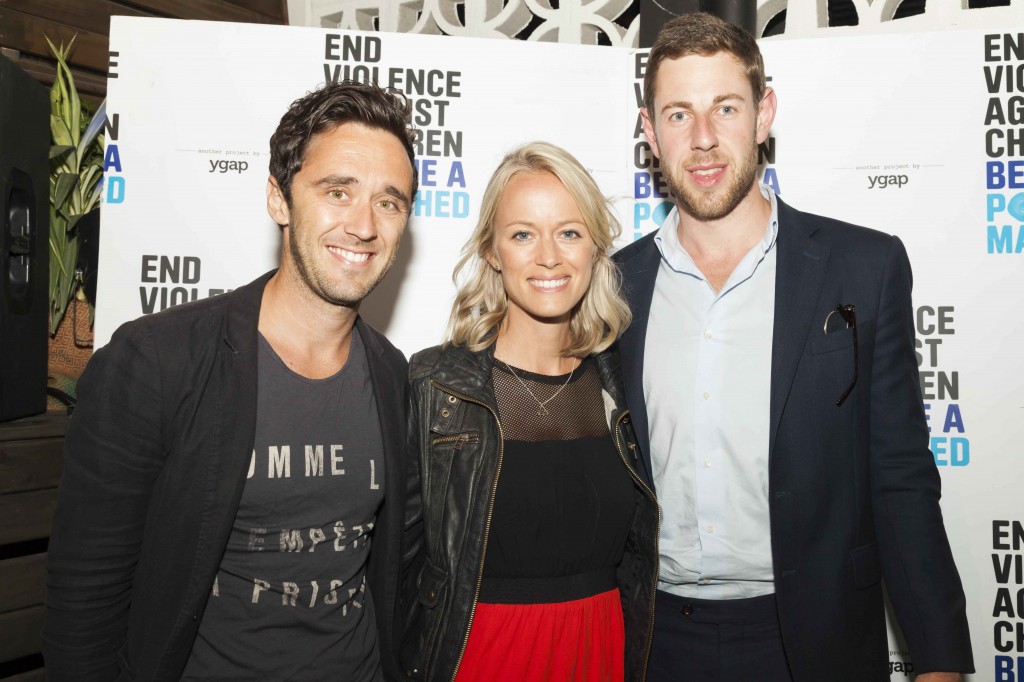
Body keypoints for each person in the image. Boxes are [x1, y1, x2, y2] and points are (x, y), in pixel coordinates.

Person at [614, 12, 974, 682]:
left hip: (815, 640)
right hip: (650, 643)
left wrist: (939, 661)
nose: (703, 138)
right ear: (650, 132)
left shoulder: (862, 269)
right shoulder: (611, 287)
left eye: (726, 107)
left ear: (764, 113)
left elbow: (899, 476)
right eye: (678, 114)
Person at [44, 80, 422, 682]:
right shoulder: (157, 361)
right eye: (337, 191)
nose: (364, 225)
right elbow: (84, 602)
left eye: (389, 202)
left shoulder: (392, 373)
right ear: (279, 198)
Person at [401, 142, 658, 681]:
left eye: (569, 233)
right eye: (523, 234)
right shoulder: (436, 386)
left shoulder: (624, 384)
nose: (549, 257)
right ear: (492, 251)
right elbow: (396, 567)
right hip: (482, 658)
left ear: (595, 248)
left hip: (600, 655)